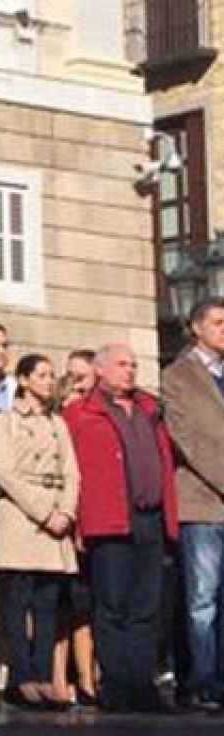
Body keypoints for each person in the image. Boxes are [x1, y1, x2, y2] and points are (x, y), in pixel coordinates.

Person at [66, 343, 177, 713]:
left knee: (146, 608)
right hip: (109, 520)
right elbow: (74, 474)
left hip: (149, 518)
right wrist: (77, 524)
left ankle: (141, 683)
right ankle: (116, 684)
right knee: (112, 606)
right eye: (121, 365)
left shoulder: (149, 409)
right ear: (100, 371)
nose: (130, 371)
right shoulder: (80, 413)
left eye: (133, 364)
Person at [0, 354, 79, 711]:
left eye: (51, 374)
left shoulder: (58, 423)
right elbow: (5, 471)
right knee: (17, 600)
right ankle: (20, 676)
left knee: (47, 604)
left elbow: (72, 471)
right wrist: (44, 511)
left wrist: (67, 511)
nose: (49, 380)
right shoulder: (5, 422)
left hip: (56, 518)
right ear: (24, 380)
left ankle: (43, 675)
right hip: (23, 517)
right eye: (42, 375)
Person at [163, 297, 224, 710]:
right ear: (197, 327)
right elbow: (187, 440)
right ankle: (199, 681)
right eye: (219, 323)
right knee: (201, 600)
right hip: (201, 503)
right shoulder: (176, 376)